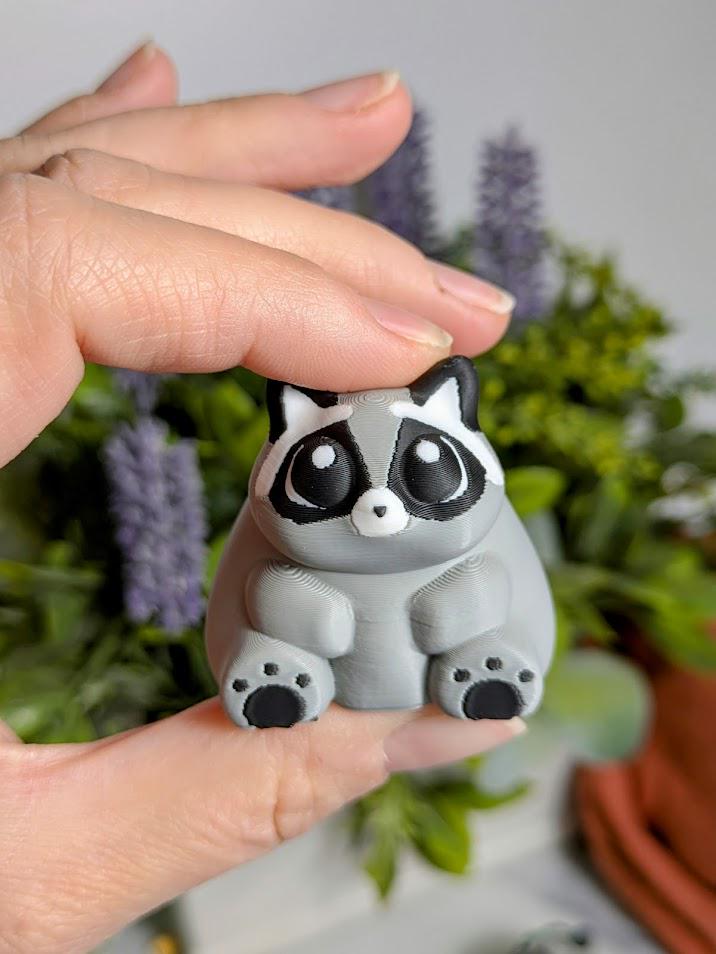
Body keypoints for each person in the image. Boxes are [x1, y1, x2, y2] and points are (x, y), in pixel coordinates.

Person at [0, 43, 523, 954]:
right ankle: (295, 681)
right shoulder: (280, 525)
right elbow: (263, 596)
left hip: (455, 623)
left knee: (468, 601)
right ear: (283, 444)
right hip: (309, 638)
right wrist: (293, 624)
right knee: (286, 602)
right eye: (336, 480)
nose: (378, 509)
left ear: (461, 435)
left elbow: (504, 588)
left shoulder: (475, 519)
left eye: (413, 480)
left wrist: (469, 613)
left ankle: (466, 667)